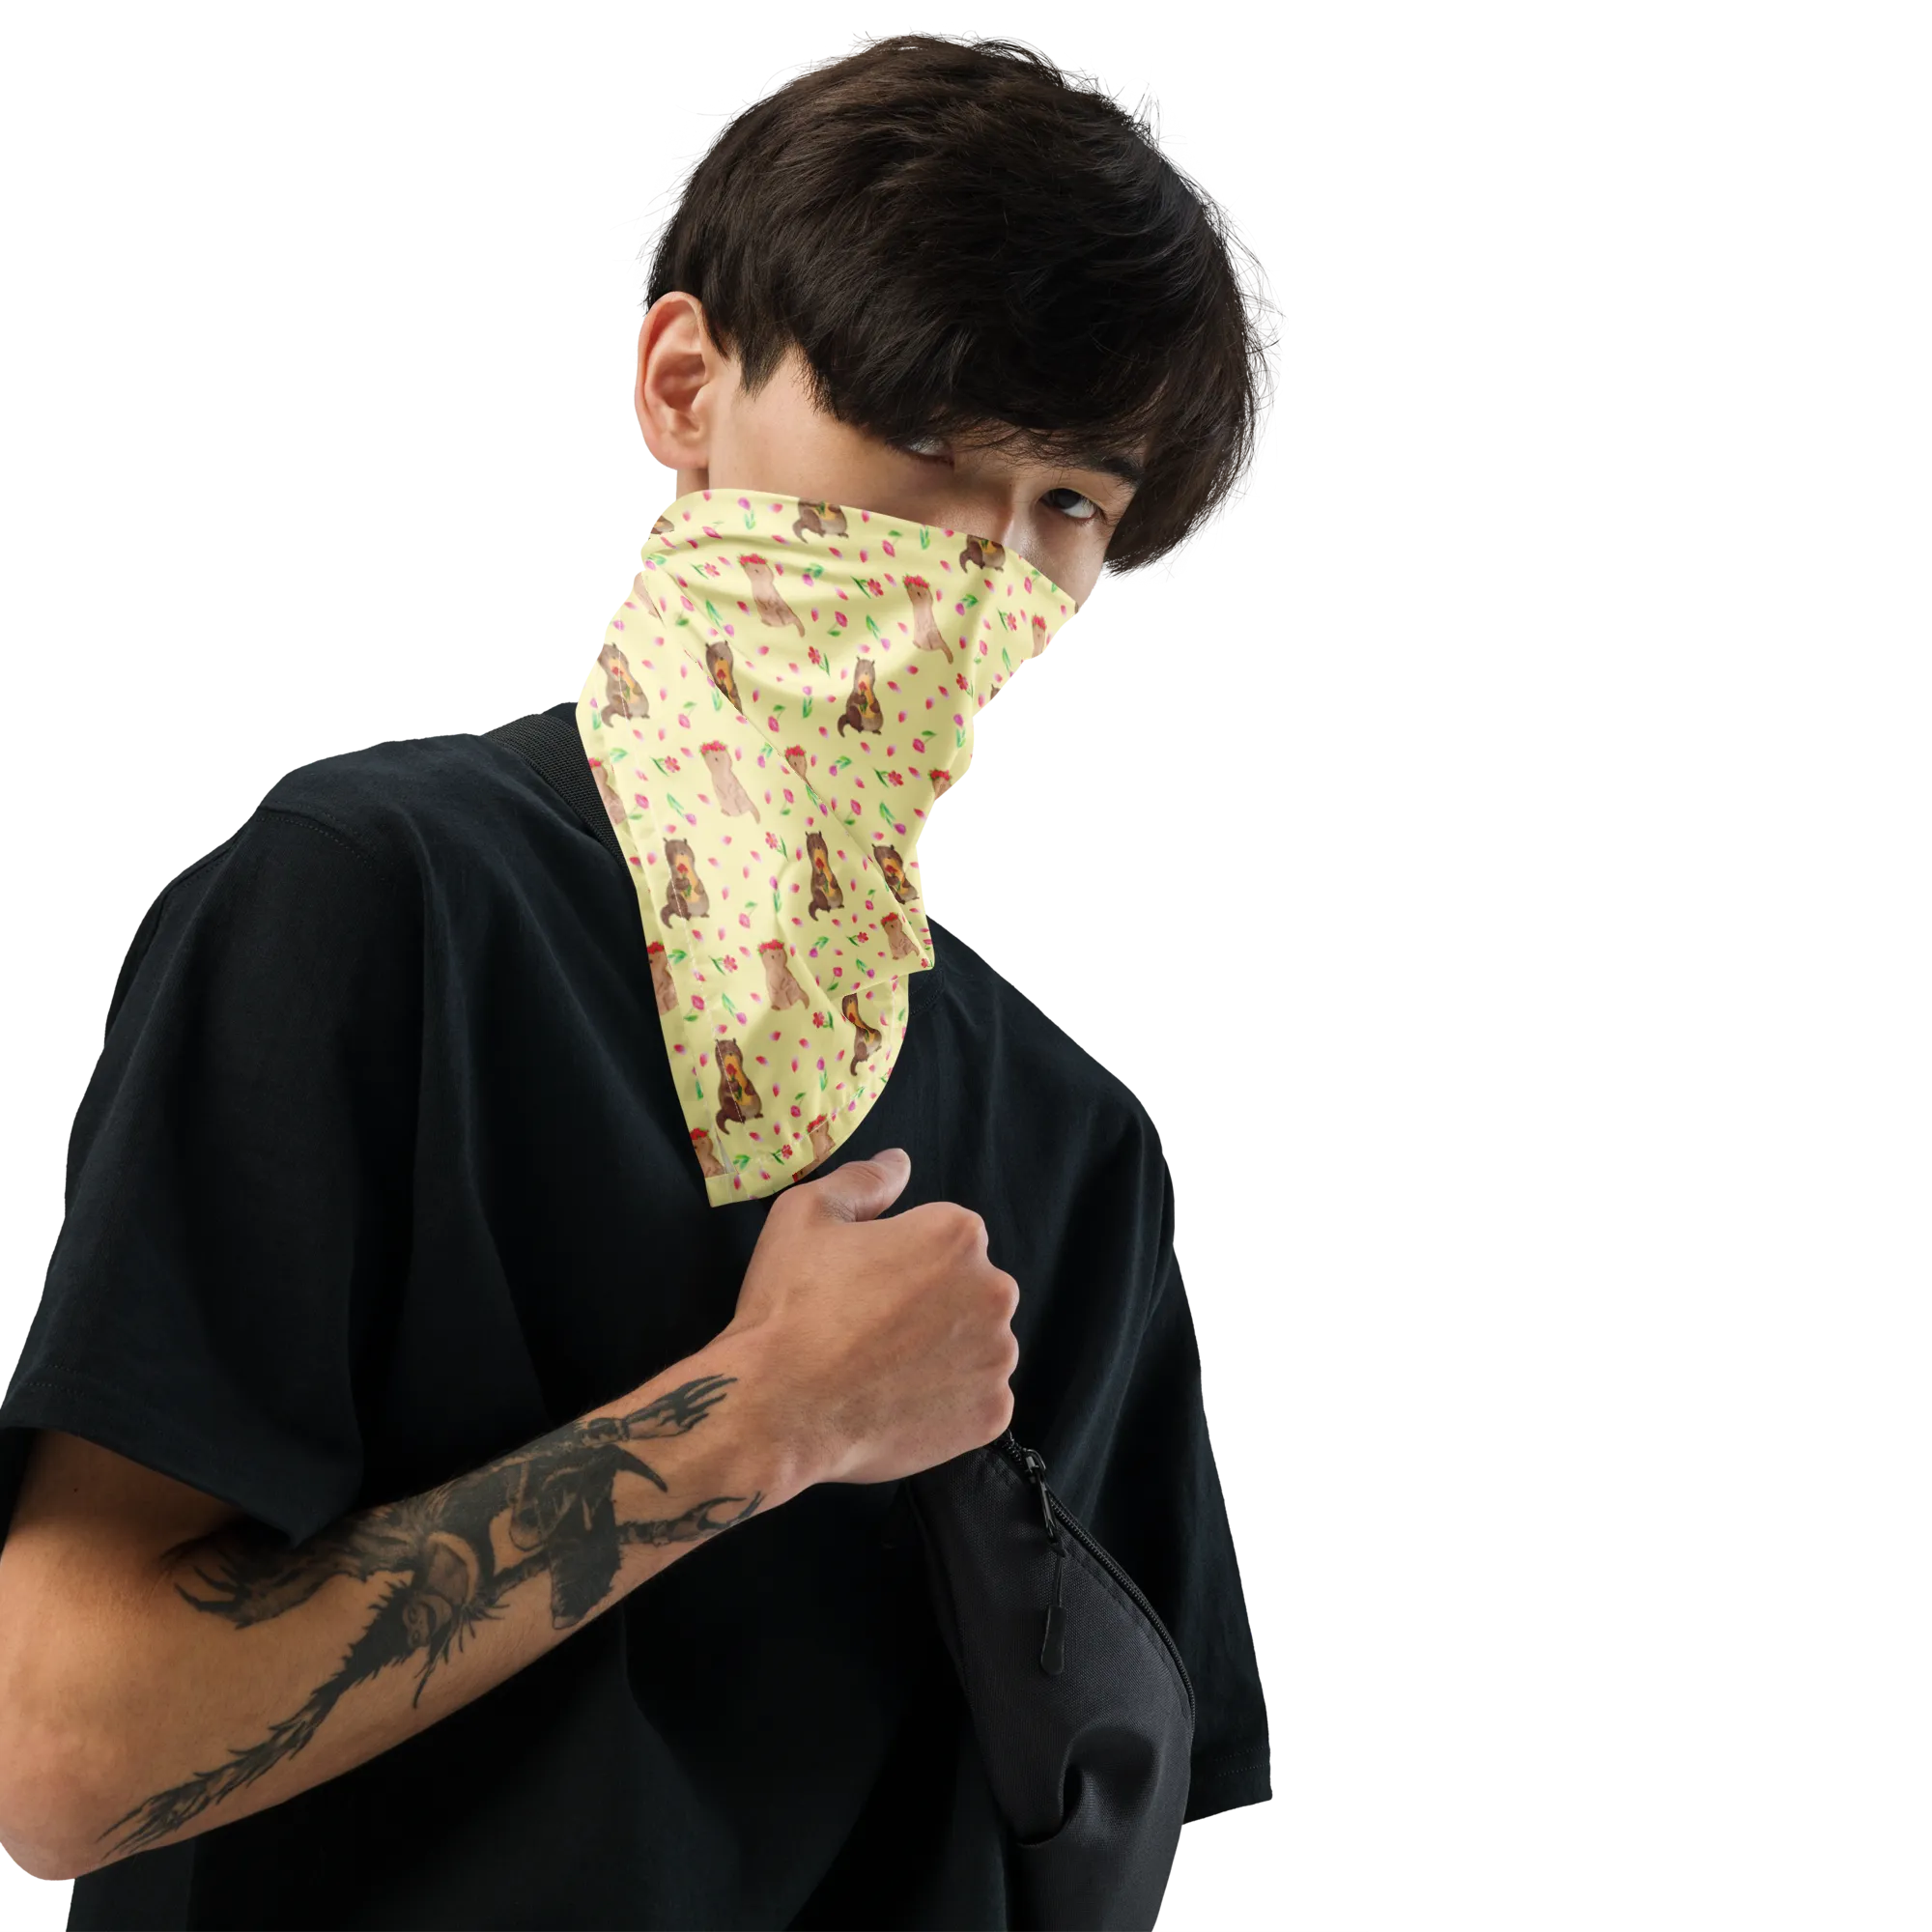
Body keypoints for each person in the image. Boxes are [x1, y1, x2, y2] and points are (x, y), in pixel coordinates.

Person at [0, 27, 1280, 1929]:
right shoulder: (378, 904)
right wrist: (760, 1419)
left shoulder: (1078, 1135)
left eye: (1068, 506)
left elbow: (1101, 1834)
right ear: (683, 386)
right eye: (928, 442)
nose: (980, 567)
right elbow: (61, 1754)